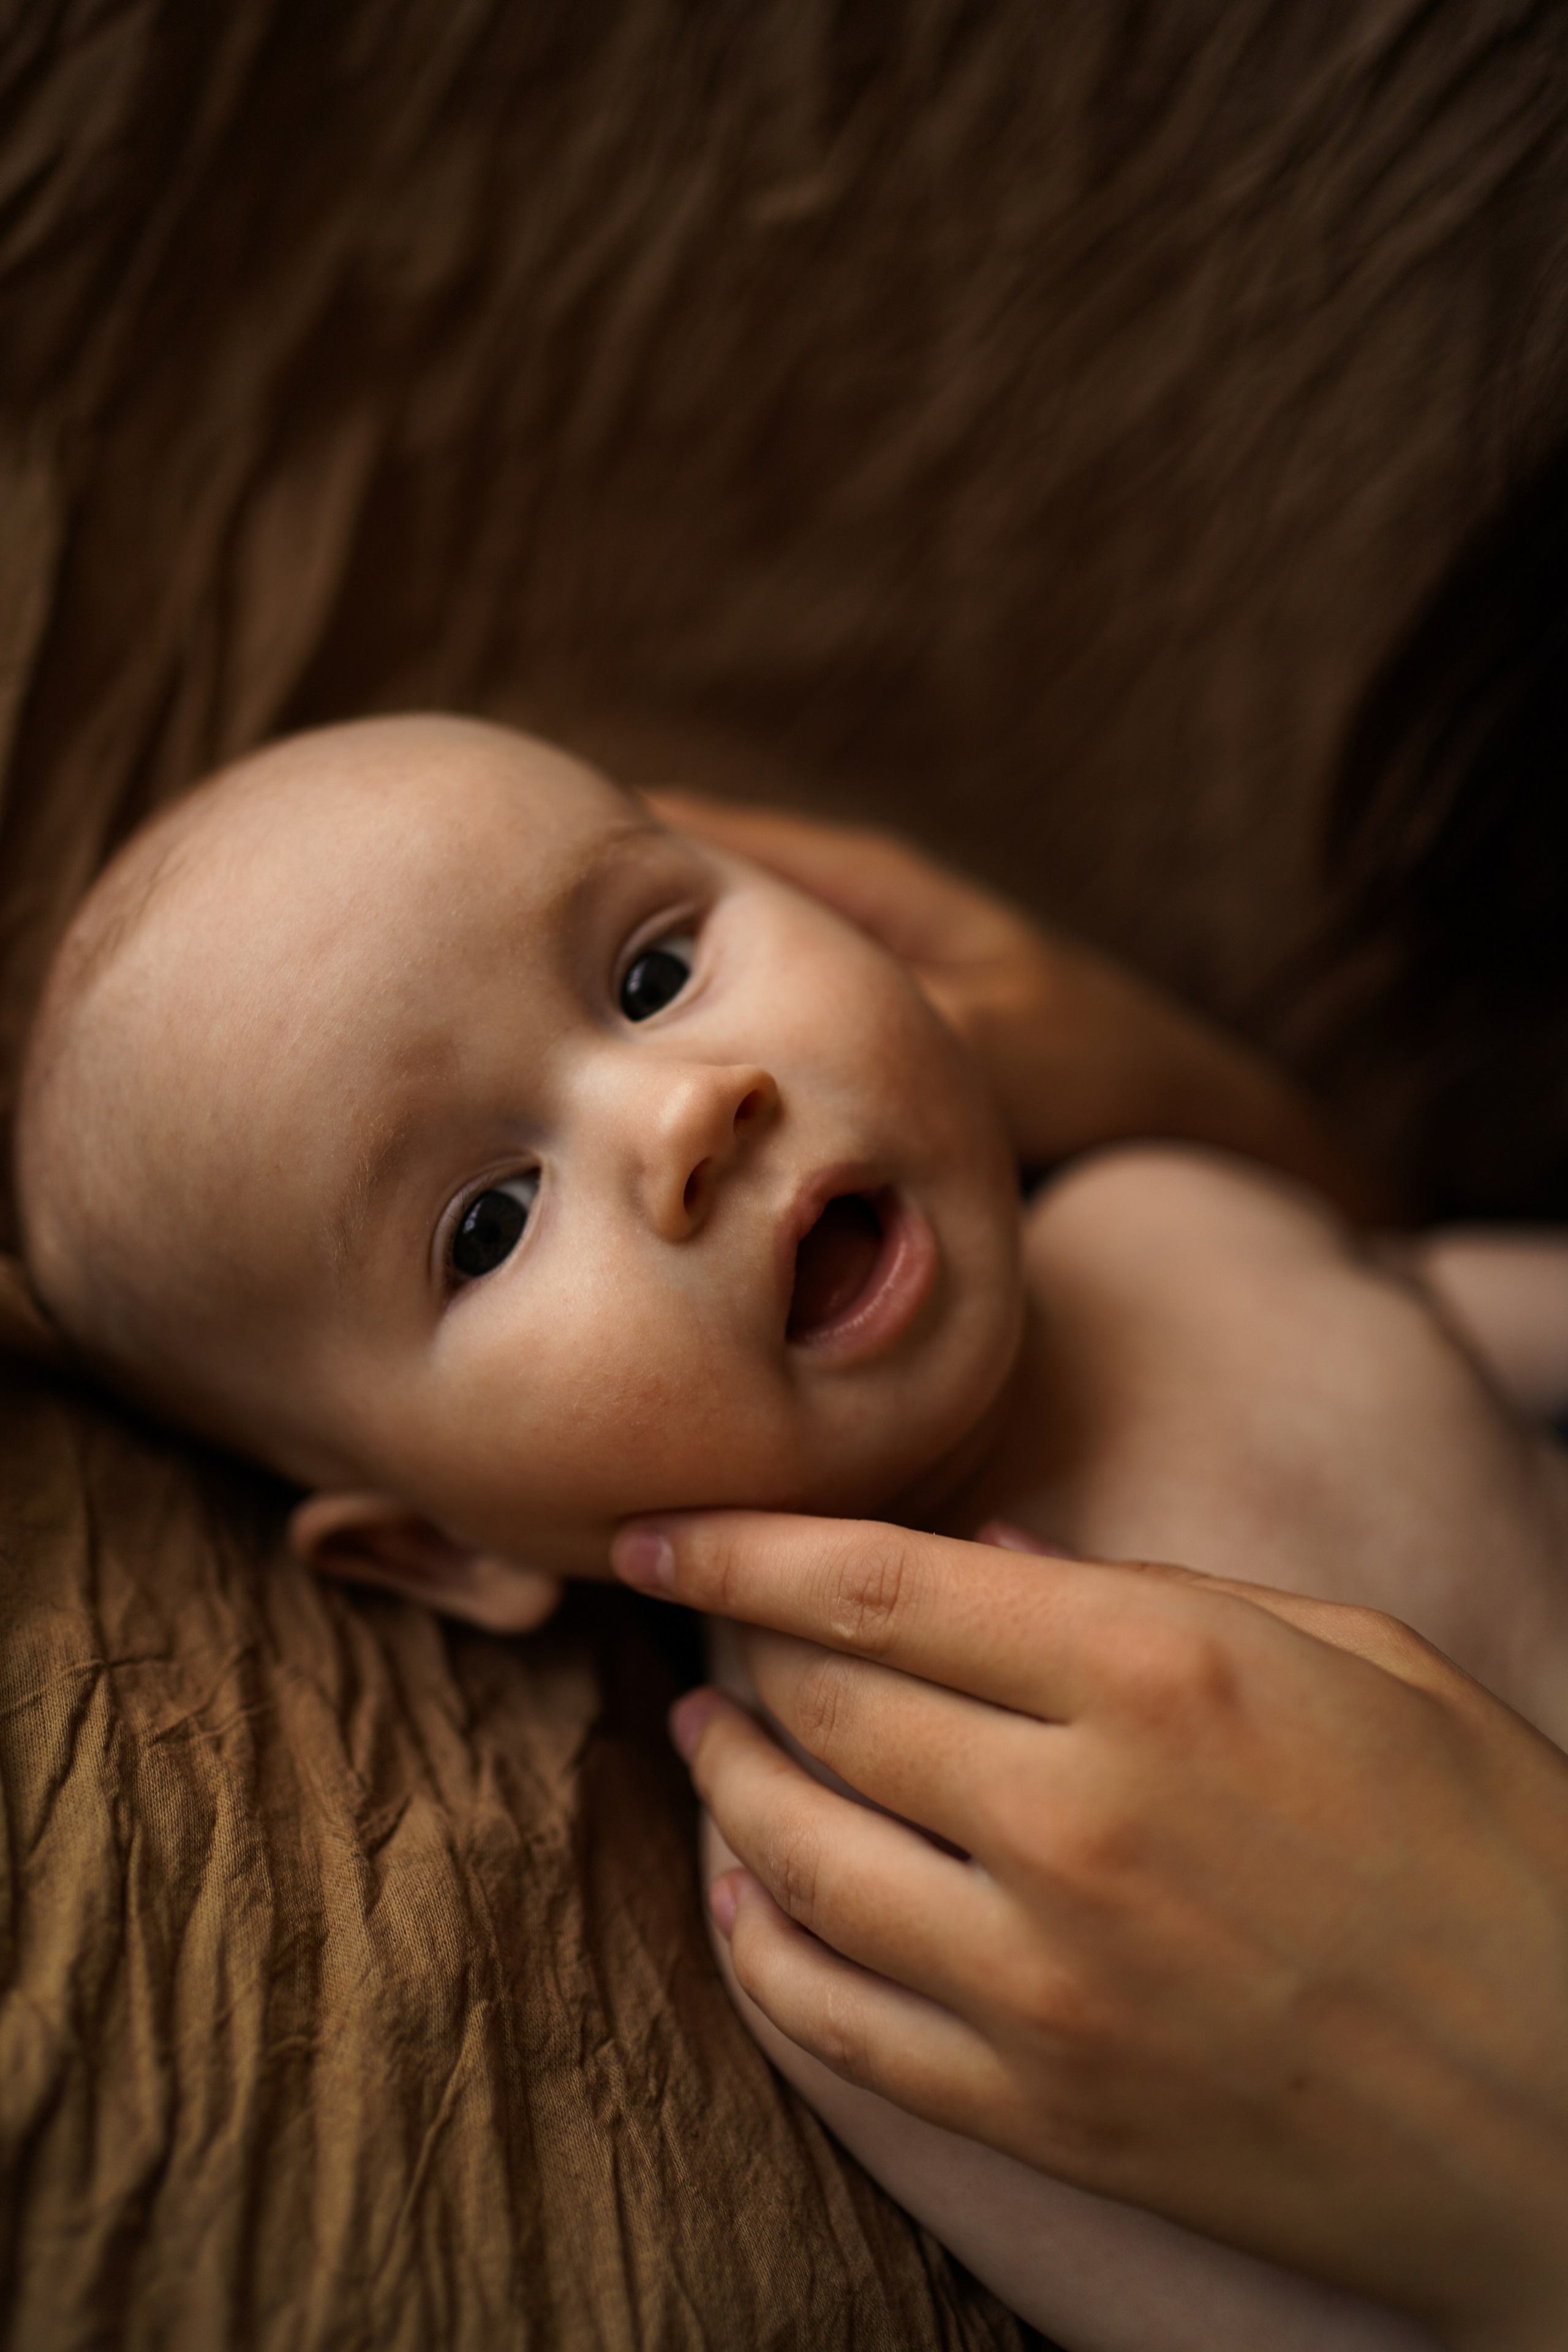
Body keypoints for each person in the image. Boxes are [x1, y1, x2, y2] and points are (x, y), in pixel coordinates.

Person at [14, 712, 1568, 2347]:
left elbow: (1458, 1314)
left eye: (653, 974)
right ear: (441, 1548)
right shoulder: (849, 1883)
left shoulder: (1174, 1212)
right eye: (489, 1223)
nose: (688, 1111)